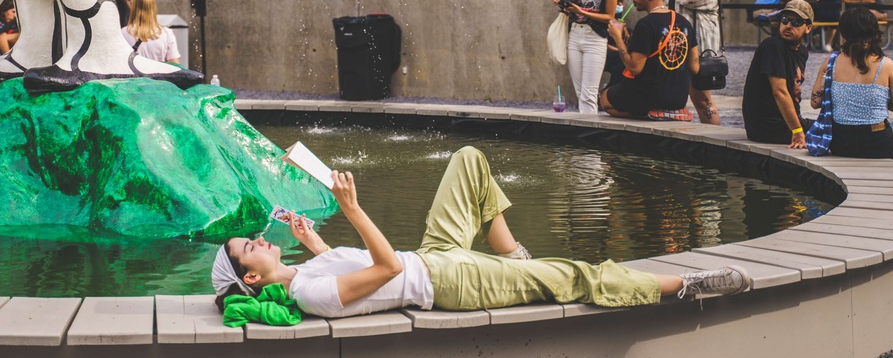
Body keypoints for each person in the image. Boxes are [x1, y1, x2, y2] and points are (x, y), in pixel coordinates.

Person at [210, 148, 750, 320]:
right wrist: (352, 211)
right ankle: (685, 285)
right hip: (448, 282)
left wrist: (315, 243)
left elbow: (347, 269)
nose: (255, 239)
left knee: (468, 160)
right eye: (246, 250)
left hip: (432, 254)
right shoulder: (307, 294)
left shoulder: (305, 272)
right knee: (573, 275)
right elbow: (386, 272)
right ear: (252, 278)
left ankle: (513, 252)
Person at [603, 0, 699, 120]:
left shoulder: (646, 24)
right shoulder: (684, 22)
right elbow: (695, 67)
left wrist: (617, 37)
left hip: (651, 96)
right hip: (678, 99)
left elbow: (634, 68)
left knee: (605, 100)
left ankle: (648, 114)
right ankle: (665, 112)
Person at [808, 8, 893, 158]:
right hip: (878, 142)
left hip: (841, 143)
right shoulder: (886, 65)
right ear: (873, 32)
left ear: (843, 33)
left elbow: (815, 103)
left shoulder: (831, 62)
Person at [550, 0, 619, 114]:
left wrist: (583, 12)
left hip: (595, 38)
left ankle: (590, 133)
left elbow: (609, 17)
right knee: (580, 91)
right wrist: (562, 2)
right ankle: (584, 130)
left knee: (589, 93)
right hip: (575, 35)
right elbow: (573, 10)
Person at [663, 0, 722, 125]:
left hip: (700, 44)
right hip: (678, 45)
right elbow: (668, 3)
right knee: (685, 94)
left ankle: (715, 136)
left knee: (702, 97)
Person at [741, 0, 813, 148]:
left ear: (808, 28)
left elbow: (792, 85)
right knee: (832, 132)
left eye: (796, 22)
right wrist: (798, 131)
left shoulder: (801, 52)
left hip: (784, 123)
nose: (788, 26)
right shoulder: (773, 46)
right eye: (785, 20)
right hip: (766, 127)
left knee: (832, 129)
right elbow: (779, 91)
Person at [122, 0, 181, 64]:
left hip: (135, 75)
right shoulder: (167, 33)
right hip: (159, 75)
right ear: (153, 8)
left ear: (133, 8)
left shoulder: (123, 33)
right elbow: (175, 65)